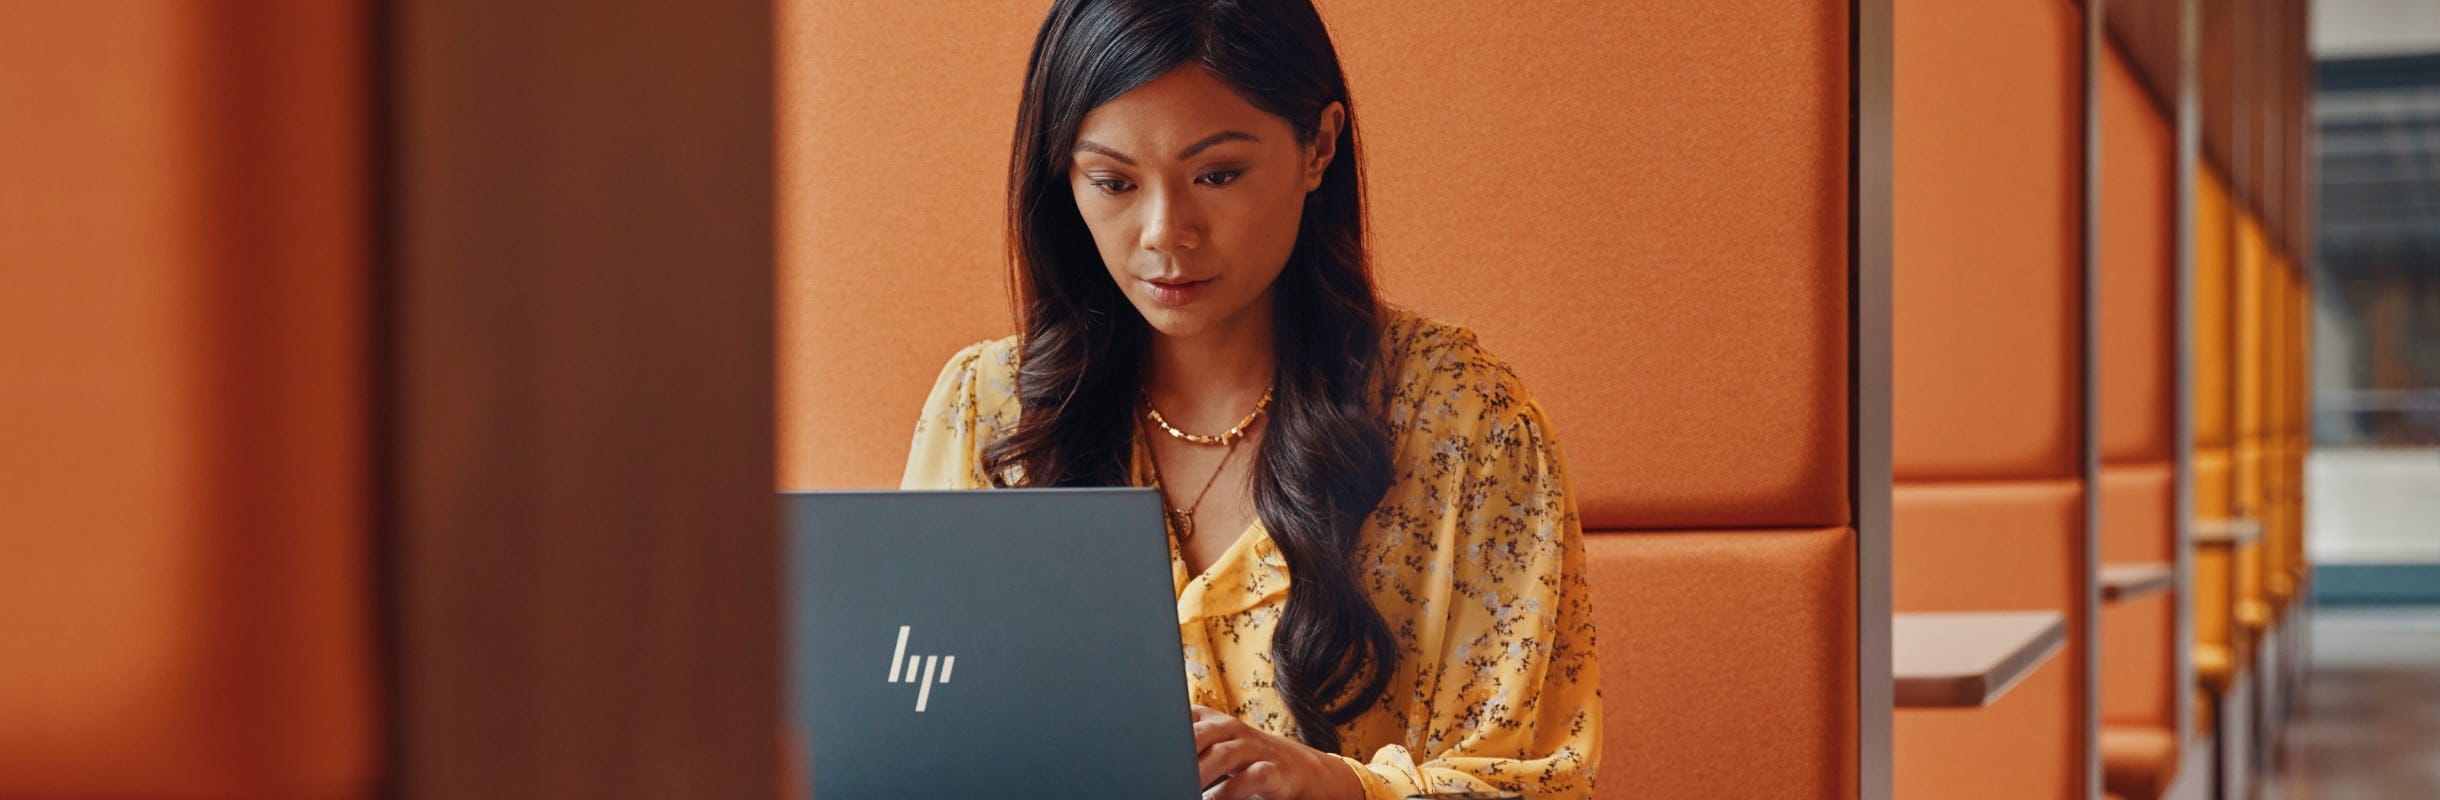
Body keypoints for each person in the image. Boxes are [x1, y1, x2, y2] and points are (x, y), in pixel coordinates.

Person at [900, 1, 1601, 797]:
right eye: (1113, 182)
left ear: (1320, 145)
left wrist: (1341, 786)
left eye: (1217, 175)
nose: (1166, 231)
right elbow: (916, 745)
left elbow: (1539, 779)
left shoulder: (1466, 423)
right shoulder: (992, 411)